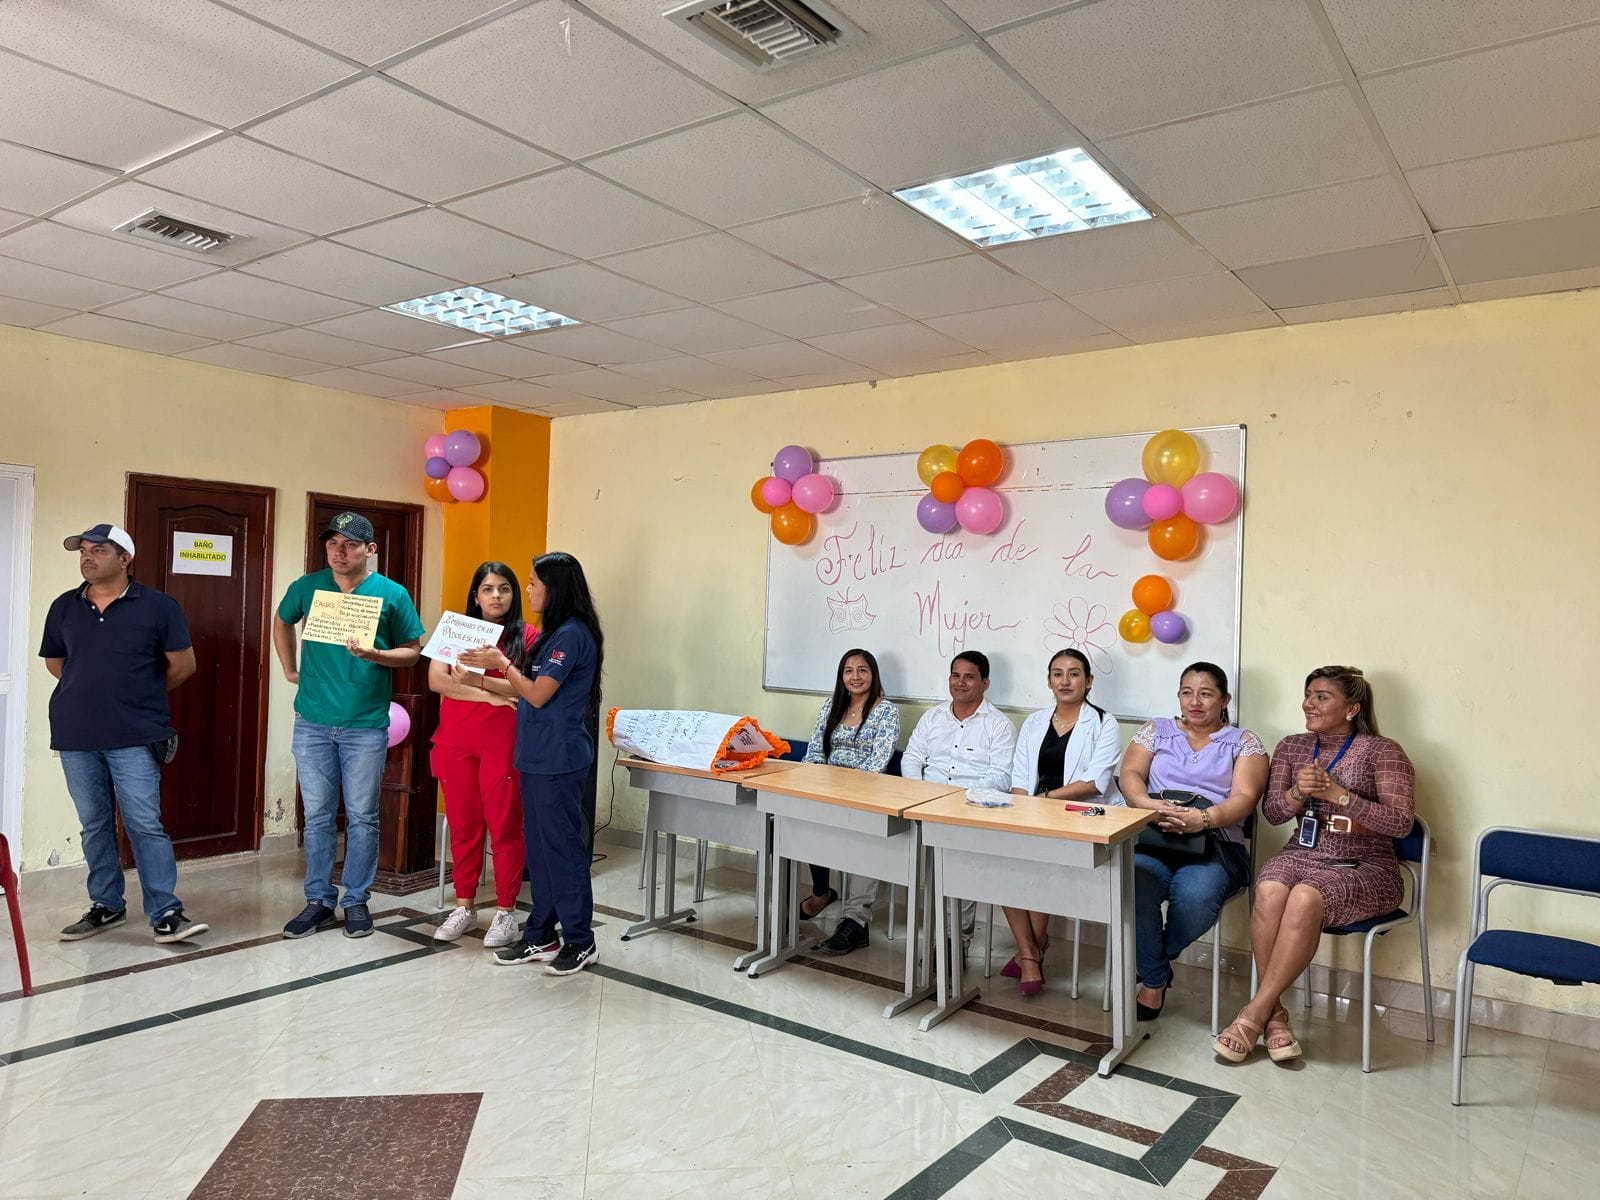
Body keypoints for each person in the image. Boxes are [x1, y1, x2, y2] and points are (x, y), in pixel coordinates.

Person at [1214, 666, 1416, 1063]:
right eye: (1308, 694)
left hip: (1367, 863)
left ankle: (1253, 1014)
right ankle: (1275, 1017)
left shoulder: (1383, 750)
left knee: (1305, 897)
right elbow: (1273, 814)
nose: (1309, 703)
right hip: (1303, 852)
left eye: (1322, 697)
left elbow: (1400, 823)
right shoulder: (1292, 747)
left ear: (1352, 708)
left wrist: (1340, 795)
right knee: (1269, 888)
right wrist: (1296, 792)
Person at [40, 523, 207, 944]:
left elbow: (183, 665)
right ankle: (106, 905)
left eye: (98, 550)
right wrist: (93, 691)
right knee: (94, 824)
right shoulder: (64, 606)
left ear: (125, 558)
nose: (87, 557)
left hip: (136, 734)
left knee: (144, 823)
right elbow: (57, 663)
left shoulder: (158, 606)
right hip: (76, 733)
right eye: (83, 551)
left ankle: (166, 912)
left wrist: (137, 693)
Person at [273, 512, 424, 940]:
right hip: (313, 720)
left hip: (365, 723)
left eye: (350, 544)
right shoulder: (308, 587)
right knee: (319, 816)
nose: (339, 552)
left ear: (370, 550)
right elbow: (282, 620)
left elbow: (412, 650)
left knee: (362, 816)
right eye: (332, 543)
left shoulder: (392, 594)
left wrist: (377, 655)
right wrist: (289, 668)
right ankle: (318, 900)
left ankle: (356, 899)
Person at [463, 551, 604, 978]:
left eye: (532, 583)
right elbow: (526, 688)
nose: (527, 590)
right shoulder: (551, 633)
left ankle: (580, 939)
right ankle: (541, 933)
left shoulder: (572, 635)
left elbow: (538, 695)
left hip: (559, 758)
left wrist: (502, 663)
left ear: (554, 588)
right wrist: (479, 679)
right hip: (536, 756)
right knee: (539, 851)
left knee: (562, 850)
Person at [1119, 662, 1268, 1022]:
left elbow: (1245, 798)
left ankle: (1153, 963)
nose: (1195, 702)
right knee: (1133, 882)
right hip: (1154, 838)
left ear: (1225, 699)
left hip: (1215, 846)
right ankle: (1155, 979)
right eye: (1187, 693)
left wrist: (1202, 819)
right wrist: (1148, 806)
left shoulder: (1244, 742)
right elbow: (1130, 774)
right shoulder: (1156, 730)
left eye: (1205, 694)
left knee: (1195, 898)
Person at [1002, 649, 1123, 996]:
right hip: (1033, 809)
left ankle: (1030, 950)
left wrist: (1044, 801)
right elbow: (1020, 776)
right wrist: (1024, 810)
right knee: (1000, 860)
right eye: (1057, 673)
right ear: (1049, 681)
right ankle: (1031, 951)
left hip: (1081, 815)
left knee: (1040, 864)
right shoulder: (1035, 721)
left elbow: (1095, 782)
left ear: (1089, 681)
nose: (1065, 681)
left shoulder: (1104, 722)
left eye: (1074, 673)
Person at [427, 561, 534, 947]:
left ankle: (506, 911)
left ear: (514, 594)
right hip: (455, 742)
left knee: (505, 826)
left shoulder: (527, 636)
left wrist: (478, 681)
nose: (496, 596)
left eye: (504, 588)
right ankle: (465, 906)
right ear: (476, 596)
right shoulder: (455, 630)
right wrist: (489, 693)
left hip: (502, 743)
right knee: (464, 826)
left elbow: (528, 689)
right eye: (488, 589)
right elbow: (438, 681)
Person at [900, 651, 1016, 949]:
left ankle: (955, 943)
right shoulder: (933, 717)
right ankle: (929, 938)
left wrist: (961, 798)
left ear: (985, 683)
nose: (960, 683)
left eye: (969, 677)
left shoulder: (999, 725)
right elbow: (912, 757)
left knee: (959, 870)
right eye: (955, 675)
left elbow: (1001, 776)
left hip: (969, 809)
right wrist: (918, 791)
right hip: (924, 805)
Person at [796, 648, 900, 955]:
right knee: (801, 820)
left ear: (873, 674)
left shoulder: (886, 710)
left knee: (863, 840)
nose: (855, 677)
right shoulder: (832, 705)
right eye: (848, 671)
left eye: (862, 670)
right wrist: (815, 781)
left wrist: (844, 787)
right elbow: (815, 750)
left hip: (865, 794)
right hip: (827, 788)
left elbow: (878, 762)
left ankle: (854, 921)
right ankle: (821, 892)